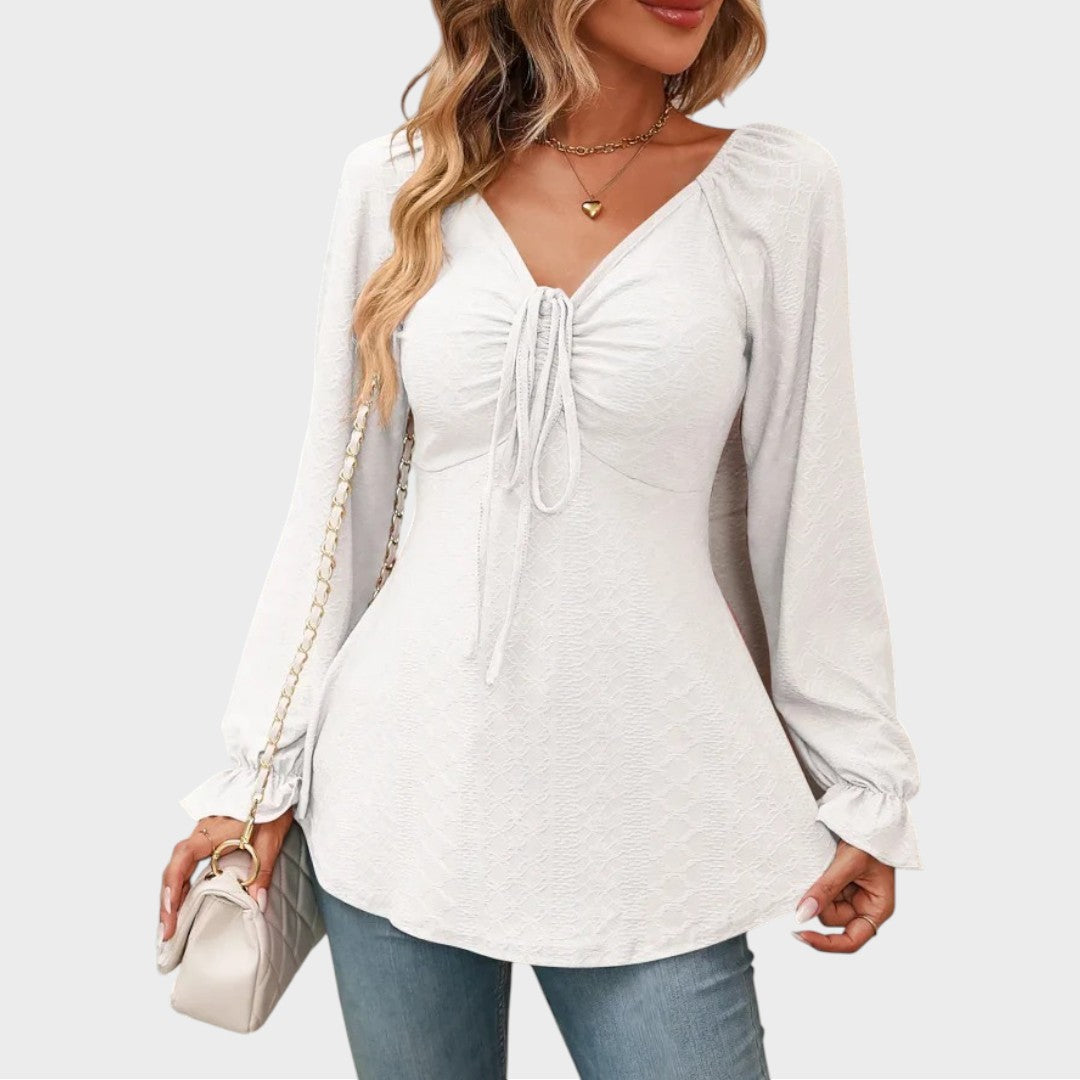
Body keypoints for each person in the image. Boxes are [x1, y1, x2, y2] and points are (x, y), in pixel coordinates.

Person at [158, 1, 922, 1076]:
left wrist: (863, 783)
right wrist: (255, 781)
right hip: (398, 796)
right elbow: (336, 500)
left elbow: (814, 513)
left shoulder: (777, 190)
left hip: (655, 806)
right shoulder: (399, 182)